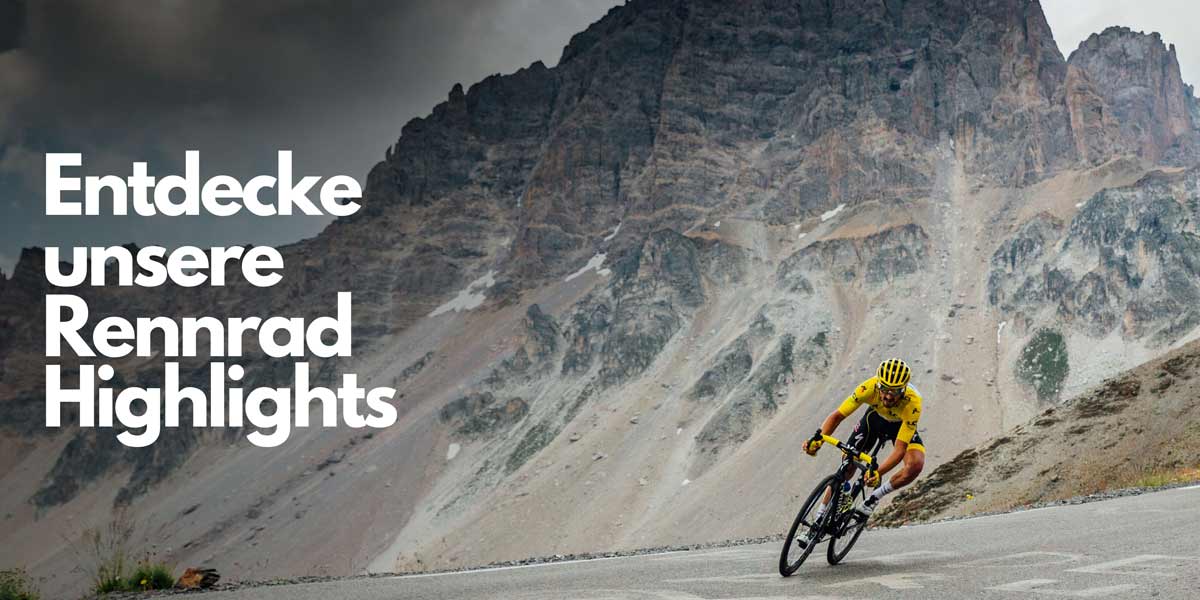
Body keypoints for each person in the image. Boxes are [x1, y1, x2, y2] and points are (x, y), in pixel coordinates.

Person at [804, 358, 926, 517]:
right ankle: (820, 515)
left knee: (916, 464)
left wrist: (877, 472)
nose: (888, 396)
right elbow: (837, 416)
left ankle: (874, 498)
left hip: (900, 426)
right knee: (847, 465)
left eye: (895, 391)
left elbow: (900, 449)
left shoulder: (913, 403)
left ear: (903, 390)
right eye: (884, 389)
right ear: (878, 385)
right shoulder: (868, 387)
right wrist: (818, 440)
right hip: (874, 420)